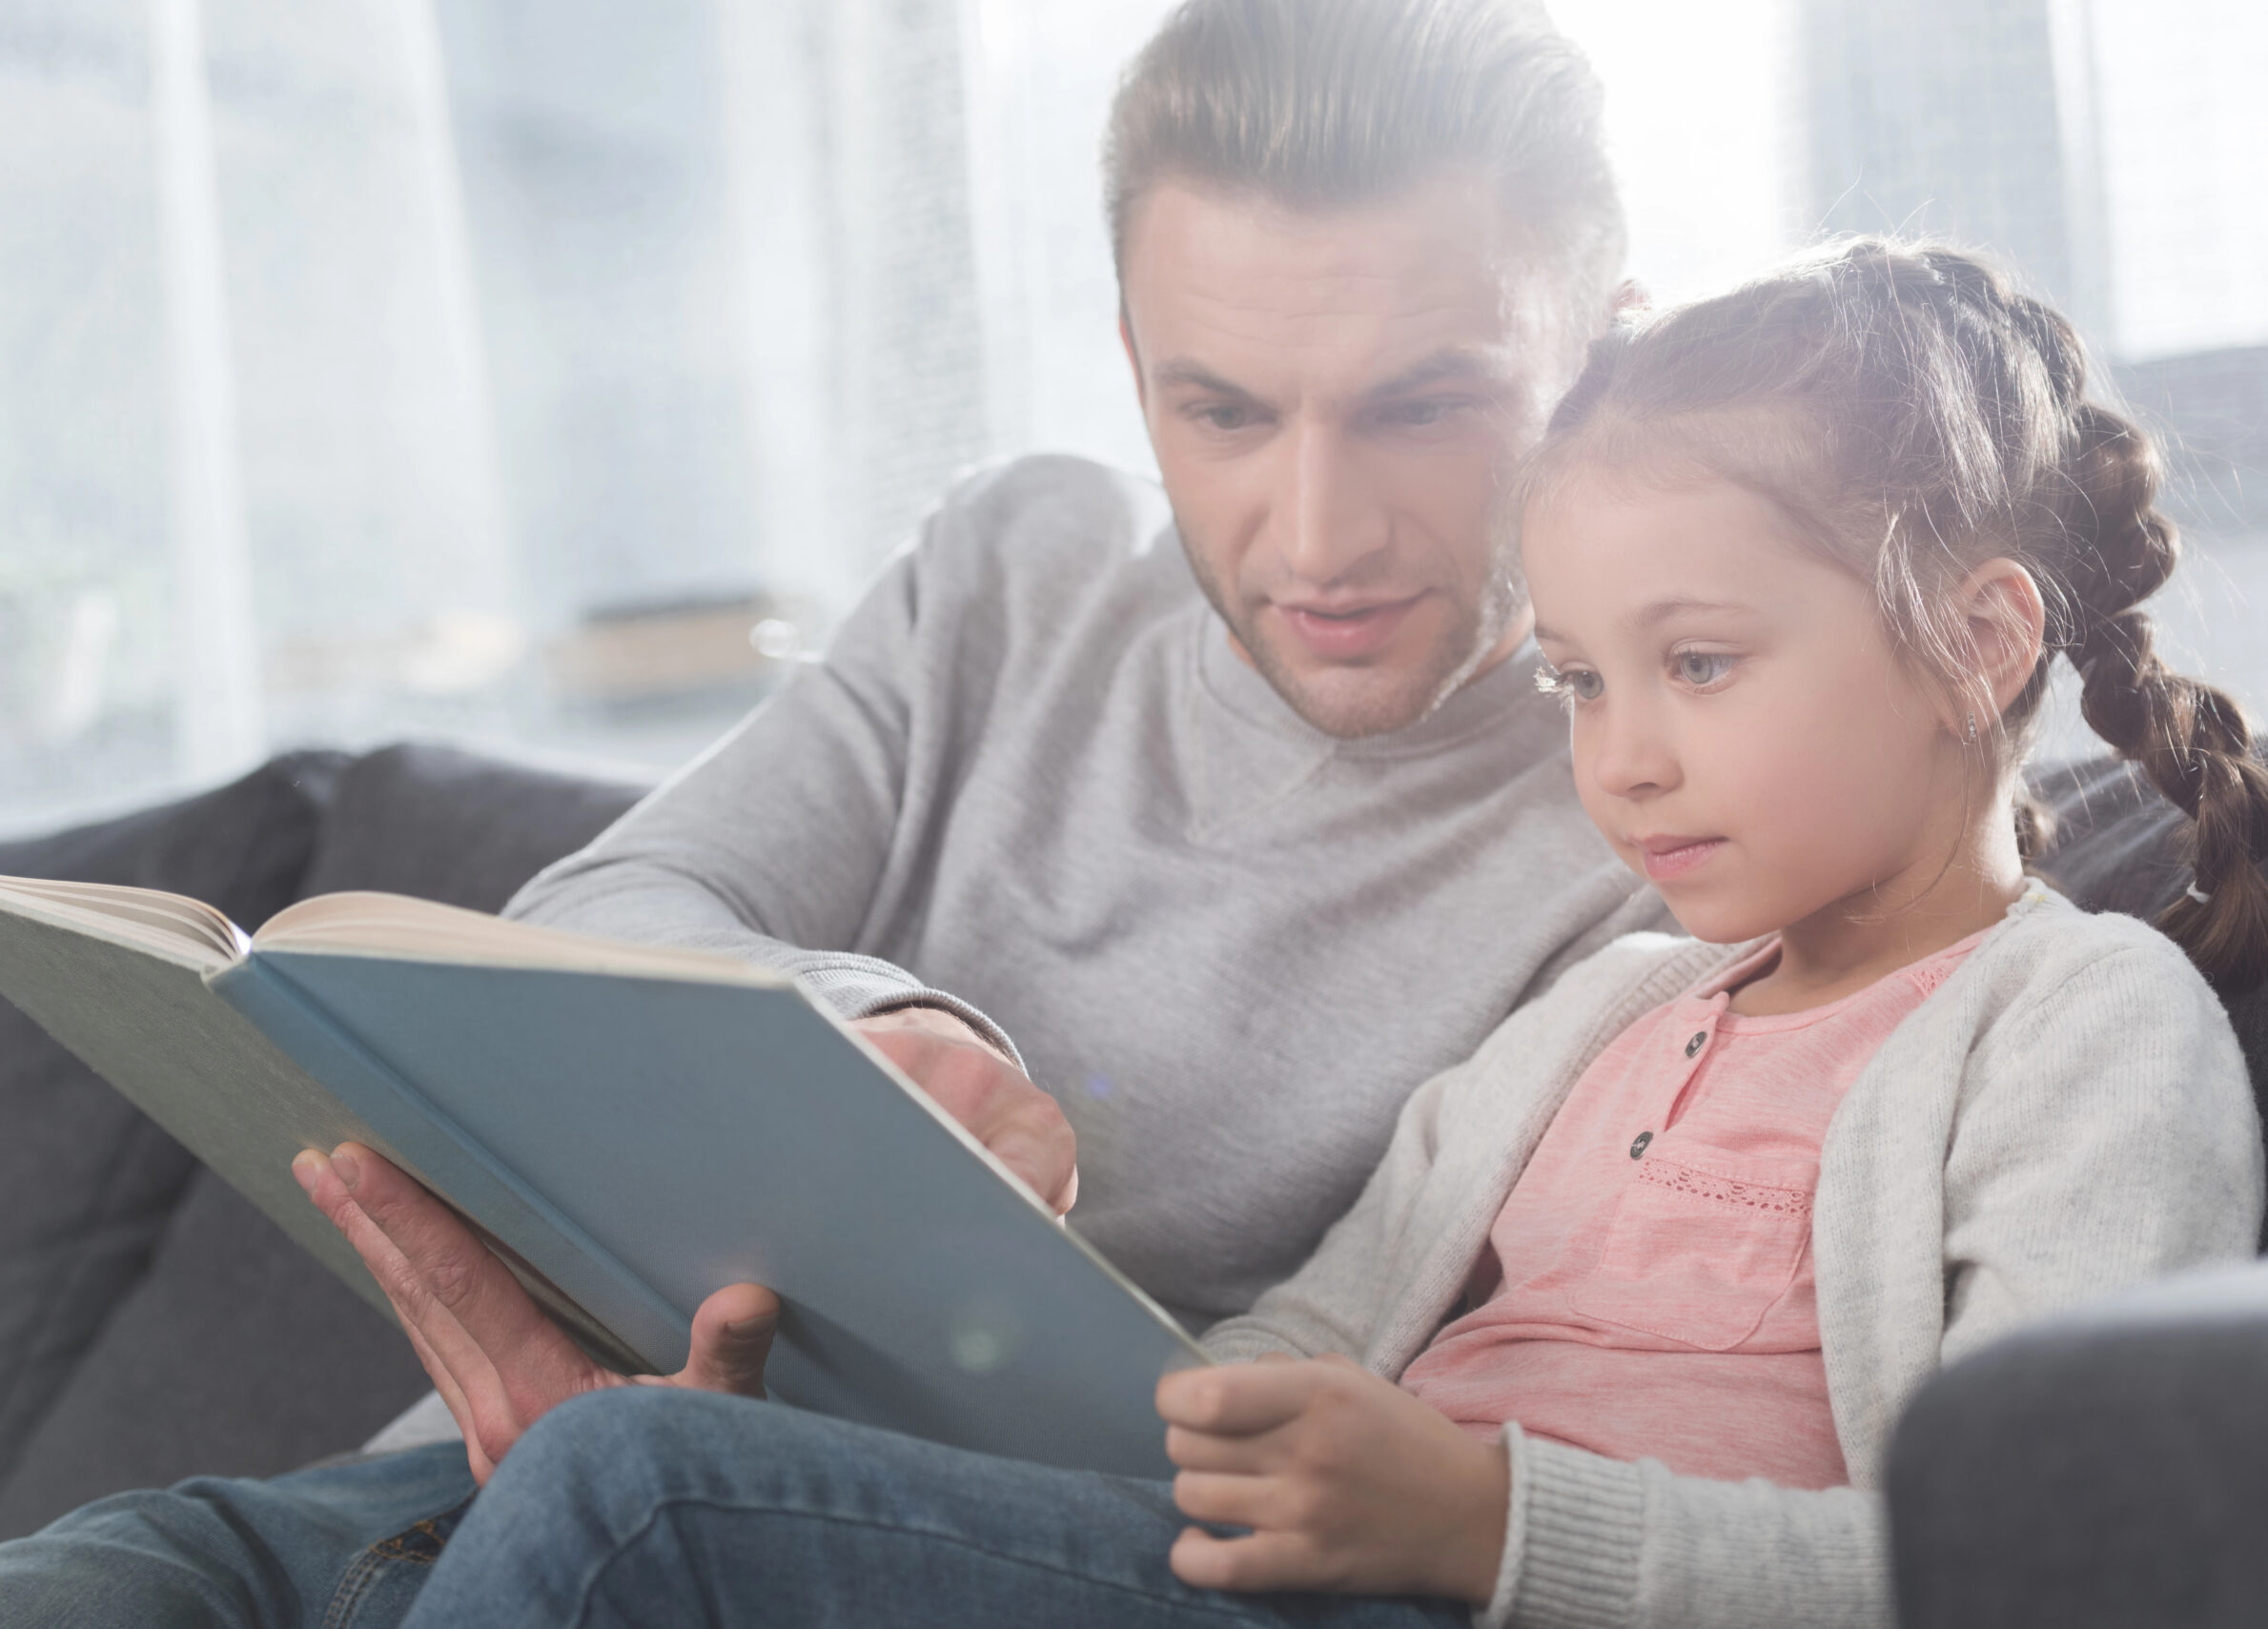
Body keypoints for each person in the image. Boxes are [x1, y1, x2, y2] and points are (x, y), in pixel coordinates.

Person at [0, 3, 1670, 1625]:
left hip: (908, 1544)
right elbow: (596, 910)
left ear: (1607, 359)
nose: (1317, 535)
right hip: (466, 1468)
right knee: (89, 1575)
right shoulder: (1020, 567)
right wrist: (878, 1034)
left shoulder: (1669, 825)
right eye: (1223, 409)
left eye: (1421, 406)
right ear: (1131, 359)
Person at [368, 239, 2268, 1628]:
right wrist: (906, 1440)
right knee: (580, 1490)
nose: (1620, 758)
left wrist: (1493, 1522)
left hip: (1460, 1593)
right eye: (1578, 681)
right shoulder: (1609, 1008)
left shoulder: (2081, 1023)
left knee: (632, 1497)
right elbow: (1292, 1343)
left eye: (1696, 663)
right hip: (1296, 1581)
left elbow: (2062, 1562)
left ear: (1980, 642)